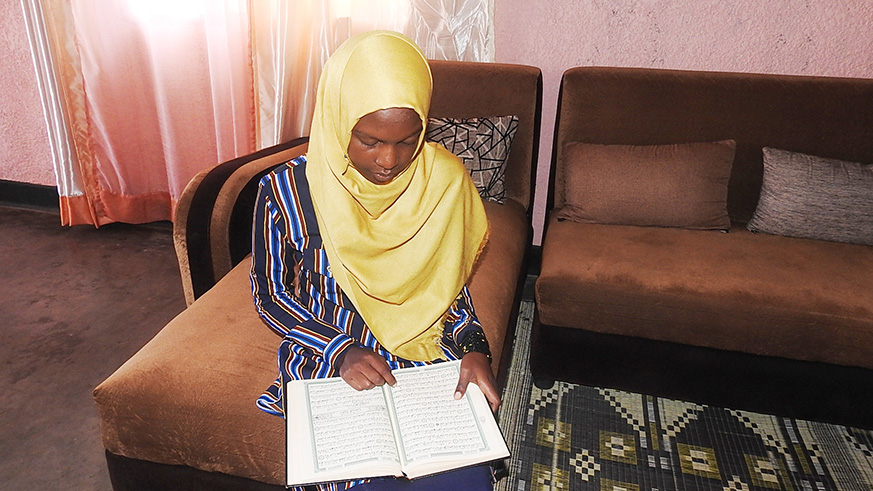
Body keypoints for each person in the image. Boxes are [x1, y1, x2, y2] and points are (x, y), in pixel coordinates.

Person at [250, 30, 499, 491]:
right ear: (336, 119)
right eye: (368, 140)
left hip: (422, 348)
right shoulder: (286, 192)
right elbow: (270, 293)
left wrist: (474, 347)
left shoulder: (444, 180)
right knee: (362, 478)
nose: (389, 160)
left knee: (461, 477)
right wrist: (338, 350)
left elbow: (448, 289)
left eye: (409, 141)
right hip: (332, 351)